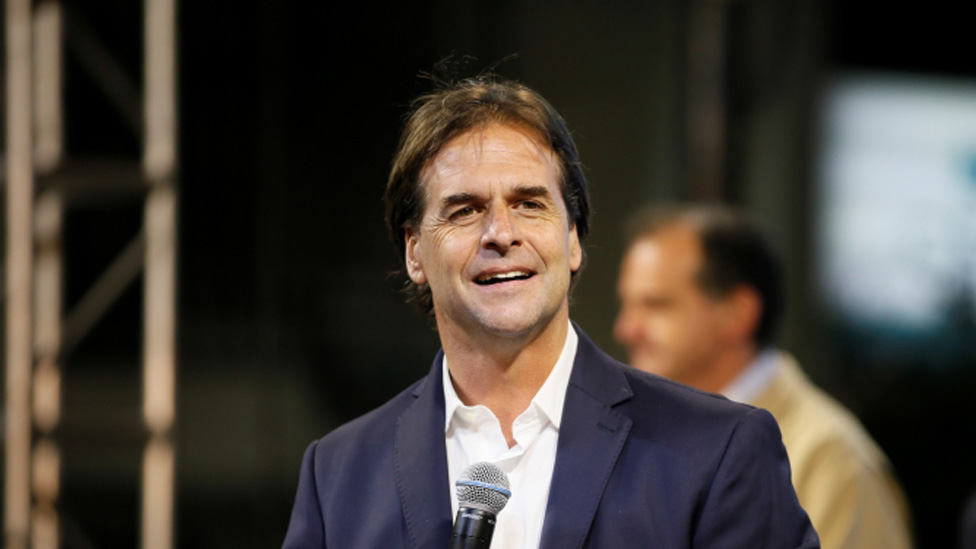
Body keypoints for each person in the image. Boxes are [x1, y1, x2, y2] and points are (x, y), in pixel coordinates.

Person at [283, 77, 818, 548]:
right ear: (414, 252)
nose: (501, 234)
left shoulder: (717, 452)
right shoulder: (338, 476)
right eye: (465, 210)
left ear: (573, 238)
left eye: (529, 204)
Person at [614, 203, 913, 549]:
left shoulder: (831, 460)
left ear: (738, 314)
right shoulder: (637, 435)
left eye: (656, 305)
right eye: (627, 304)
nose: (626, 329)